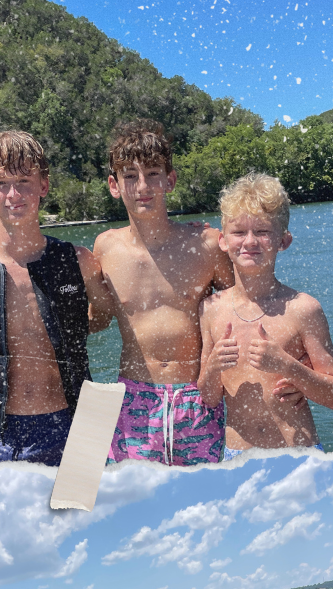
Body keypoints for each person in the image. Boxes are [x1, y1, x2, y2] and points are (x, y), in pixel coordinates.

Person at [0, 130, 112, 471]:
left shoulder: (79, 261)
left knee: (94, 521)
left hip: (82, 418)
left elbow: (104, 315)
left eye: (24, 181)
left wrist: (68, 326)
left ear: (43, 186)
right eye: (1, 183)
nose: (14, 194)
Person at [94, 121, 234, 465]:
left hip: (199, 397)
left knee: (206, 508)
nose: (143, 186)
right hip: (132, 400)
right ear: (114, 185)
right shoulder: (105, 248)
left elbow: (242, 313)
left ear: (169, 180)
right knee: (137, 510)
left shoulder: (207, 244)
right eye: (129, 175)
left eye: (153, 173)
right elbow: (93, 321)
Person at [198, 172, 333, 451]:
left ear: (283, 240)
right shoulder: (211, 309)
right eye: (239, 232)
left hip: (298, 458)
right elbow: (208, 397)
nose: (250, 241)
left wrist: (289, 367)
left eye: (263, 231)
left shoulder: (303, 309)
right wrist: (214, 367)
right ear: (223, 241)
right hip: (236, 459)